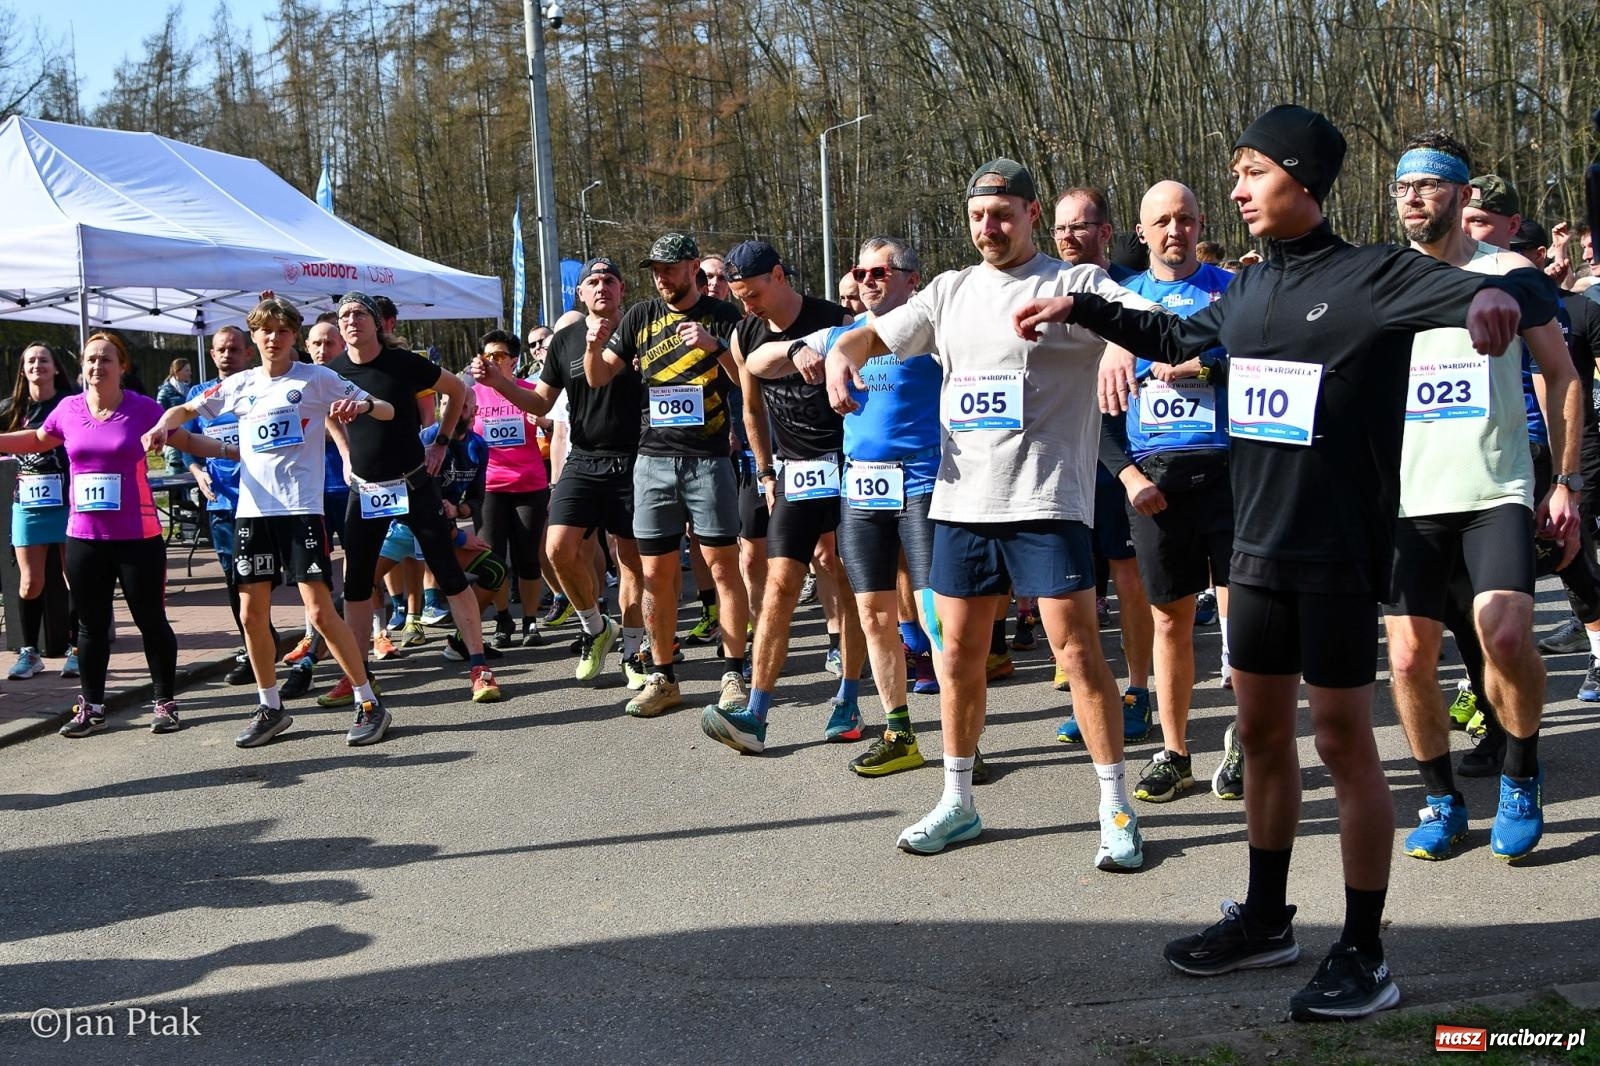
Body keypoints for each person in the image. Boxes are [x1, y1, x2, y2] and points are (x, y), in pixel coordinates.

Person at [1015, 104, 1556, 1022]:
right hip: (1254, 550)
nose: (1235, 190)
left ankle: (1367, 950)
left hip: (1339, 556)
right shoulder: (1253, 288)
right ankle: (1267, 919)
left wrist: (1501, 298)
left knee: (1344, 746)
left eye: (1251, 172)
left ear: (1302, 179)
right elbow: (1184, 340)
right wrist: (1087, 305)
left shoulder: (1376, 275)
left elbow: (1529, 301)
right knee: (1262, 738)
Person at [827, 159, 1157, 868]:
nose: (988, 228)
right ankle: (958, 801)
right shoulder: (948, 291)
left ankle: (1115, 805)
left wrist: (1115, 345)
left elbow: (1152, 324)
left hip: (1045, 501)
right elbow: (867, 334)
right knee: (958, 656)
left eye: (1002, 215)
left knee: (1076, 651)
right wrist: (836, 359)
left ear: (1032, 214)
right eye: (978, 216)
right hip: (960, 504)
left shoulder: (1073, 282)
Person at [1380, 139, 1580, 863]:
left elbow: (1561, 374)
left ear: (1463, 196)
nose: (1412, 198)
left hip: (1495, 490)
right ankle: (1441, 800)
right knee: (1407, 661)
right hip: (1408, 499)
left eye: (1429, 185)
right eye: (1402, 186)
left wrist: (1565, 481)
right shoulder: (1383, 280)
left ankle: (1521, 772)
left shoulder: (1508, 273)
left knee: (1502, 638)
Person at [149, 297, 397, 747]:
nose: (273, 339)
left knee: (320, 612)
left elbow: (386, 409)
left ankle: (368, 700)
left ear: (294, 338)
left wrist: (361, 408)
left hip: (301, 509)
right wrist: (162, 427)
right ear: (254, 338)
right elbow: (184, 412)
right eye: (265, 331)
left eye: (282, 331)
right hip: (252, 512)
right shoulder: (241, 384)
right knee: (250, 613)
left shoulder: (316, 378)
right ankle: (270, 706)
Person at [765, 235, 942, 775]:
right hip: (863, 489)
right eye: (860, 273)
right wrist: (799, 349)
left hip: (922, 482)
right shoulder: (839, 333)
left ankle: (966, 735)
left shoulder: (931, 331)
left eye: (879, 273)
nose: (867, 281)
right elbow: (756, 361)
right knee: (871, 611)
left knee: (940, 617)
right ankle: (899, 730)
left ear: (911, 279)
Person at [1100, 180, 1242, 804]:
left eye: (1185, 219)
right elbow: (1095, 407)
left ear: (1200, 223)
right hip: (1154, 480)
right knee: (1169, 618)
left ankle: (1245, 740)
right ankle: (1175, 751)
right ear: (1141, 231)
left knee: (1245, 619)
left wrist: (1202, 366)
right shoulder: (1122, 300)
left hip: (1230, 472)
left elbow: (1270, 367)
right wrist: (1128, 477)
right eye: (1161, 222)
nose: (1174, 231)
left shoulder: (1232, 291)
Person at [698, 240, 858, 754]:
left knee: (840, 570)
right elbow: (751, 410)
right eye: (740, 298)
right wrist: (766, 473)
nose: (748, 306)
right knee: (780, 583)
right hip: (795, 474)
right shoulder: (746, 332)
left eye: (754, 295)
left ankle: (849, 696)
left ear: (779, 276)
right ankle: (756, 713)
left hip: (846, 467)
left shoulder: (833, 319)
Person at [0, 332, 193, 737]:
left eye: (106, 359)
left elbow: (186, 439)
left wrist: (232, 452)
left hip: (137, 537)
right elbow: (37, 439)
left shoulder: (143, 408)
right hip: (84, 537)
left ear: (122, 367)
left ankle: (165, 702)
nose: (96, 366)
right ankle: (93, 706)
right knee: (89, 625)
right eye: (90, 359)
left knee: (150, 620)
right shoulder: (68, 409)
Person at [589, 233, 749, 718]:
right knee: (655, 573)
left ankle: (732, 671)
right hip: (652, 461)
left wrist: (716, 346)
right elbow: (599, 377)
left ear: (692, 267)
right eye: (655, 270)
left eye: (670, 268)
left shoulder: (724, 316)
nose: (661, 277)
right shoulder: (639, 316)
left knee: (721, 565)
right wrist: (595, 350)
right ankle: (663, 675)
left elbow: (748, 380)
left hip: (708, 459)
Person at [329, 290, 502, 715]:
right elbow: (328, 413)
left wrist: (441, 442)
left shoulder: (404, 364)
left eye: (359, 314)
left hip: (413, 482)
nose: (352, 320)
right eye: (344, 315)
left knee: (447, 572)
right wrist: (346, 454)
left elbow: (458, 388)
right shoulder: (331, 371)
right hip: (365, 490)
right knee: (356, 582)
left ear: (376, 323)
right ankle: (356, 674)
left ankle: (478, 665)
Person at [1053, 186, 1155, 739]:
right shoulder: (1039, 287)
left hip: (1122, 454)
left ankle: (1138, 689)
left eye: (1081, 227)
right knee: (1076, 588)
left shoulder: (1126, 290)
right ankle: (1090, 689)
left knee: (1129, 576)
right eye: (1061, 228)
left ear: (1106, 232)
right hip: (1064, 459)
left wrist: (1124, 342)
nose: (1069, 237)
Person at [184, 326, 261, 687]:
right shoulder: (199, 395)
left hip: (264, 499)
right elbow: (187, 443)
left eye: (234, 349)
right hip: (222, 503)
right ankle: (252, 648)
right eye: (220, 350)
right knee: (236, 579)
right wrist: (197, 471)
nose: (227, 355)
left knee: (269, 578)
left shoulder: (259, 386)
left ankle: (298, 644)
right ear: (212, 355)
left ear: (248, 353)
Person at [3, 342, 79, 681]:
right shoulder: (10, 408)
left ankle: (77, 650)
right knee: (30, 582)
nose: (37, 365)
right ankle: (29, 652)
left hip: (67, 502)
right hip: (28, 505)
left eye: (43, 360)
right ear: (23, 369)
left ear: (55, 368)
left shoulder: (69, 405)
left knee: (73, 578)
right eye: (30, 360)